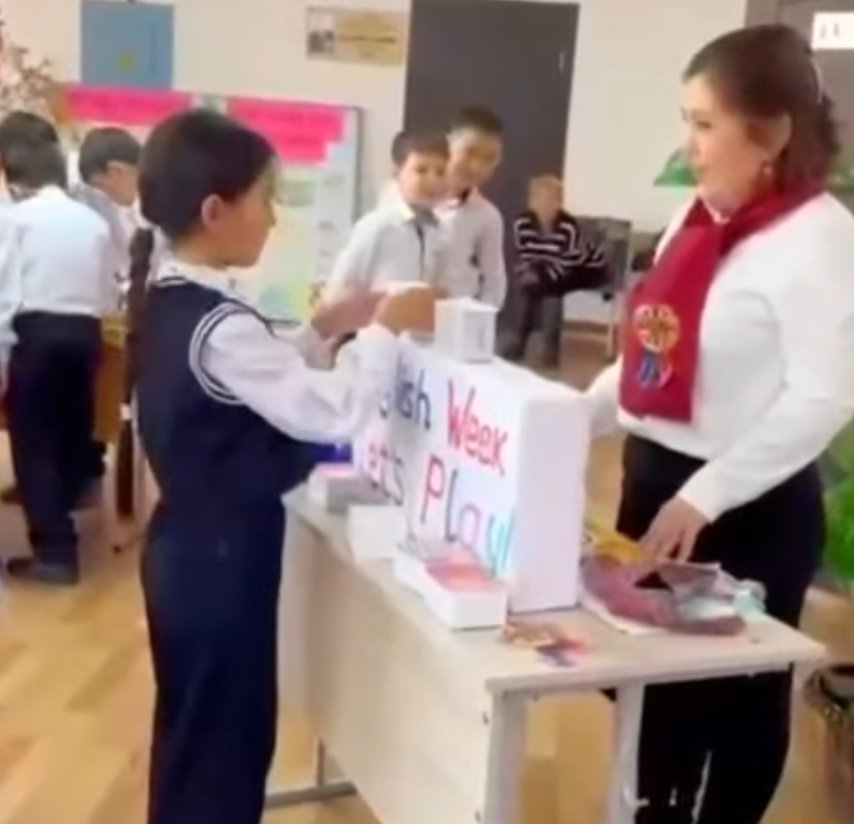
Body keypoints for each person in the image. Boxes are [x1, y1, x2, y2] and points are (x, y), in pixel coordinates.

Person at [131, 109, 440, 824]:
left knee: (196, 734)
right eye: (266, 198)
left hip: (190, 550)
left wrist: (327, 325)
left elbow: (258, 374)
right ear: (216, 211)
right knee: (225, 746)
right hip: (218, 560)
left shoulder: (179, 298)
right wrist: (383, 335)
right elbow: (330, 412)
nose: (273, 219)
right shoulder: (218, 324)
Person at [585, 25, 854, 824]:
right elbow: (652, 358)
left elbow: (823, 397)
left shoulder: (820, 239)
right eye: (687, 121)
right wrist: (570, 415)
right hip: (655, 490)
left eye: (705, 124)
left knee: (737, 709)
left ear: (769, 134)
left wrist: (706, 495)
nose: (689, 146)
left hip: (746, 511)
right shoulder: (696, 221)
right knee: (655, 699)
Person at [0, 139, 116, 586]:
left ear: (17, 182)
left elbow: (6, 290)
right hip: (85, 333)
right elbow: (108, 291)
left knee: (34, 443)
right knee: (71, 431)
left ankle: (55, 553)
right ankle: (66, 516)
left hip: (35, 332)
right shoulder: (94, 222)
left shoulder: (16, 219)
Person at [323, 129, 449, 301]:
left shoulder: (437, 230)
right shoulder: (377, 226)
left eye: (440, 172)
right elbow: (340, 286)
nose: (433, 180)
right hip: (376, 318)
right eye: (421, 170)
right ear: (397, 173)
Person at [506, 174, 606, 367]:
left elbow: (566, 262)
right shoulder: (522, 223)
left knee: (552, 290)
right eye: (540, 198)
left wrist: (540, 278)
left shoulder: (568, 225)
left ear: (559, 202)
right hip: (544, 267)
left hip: (583, 268)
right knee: (527, 287)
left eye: (552, 199)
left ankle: (550, 350)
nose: (546, 204)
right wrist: (529, 274)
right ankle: (519, 344)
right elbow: (524, 255)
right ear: (532, 201)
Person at [438, 105, 507, 308]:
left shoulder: (487, 216)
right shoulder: (405, 200)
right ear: (448, 144)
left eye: (490, 158)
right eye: (470, 152)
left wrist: (481, 321)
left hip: (455, 317)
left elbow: (494, 282)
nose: (478, 166)